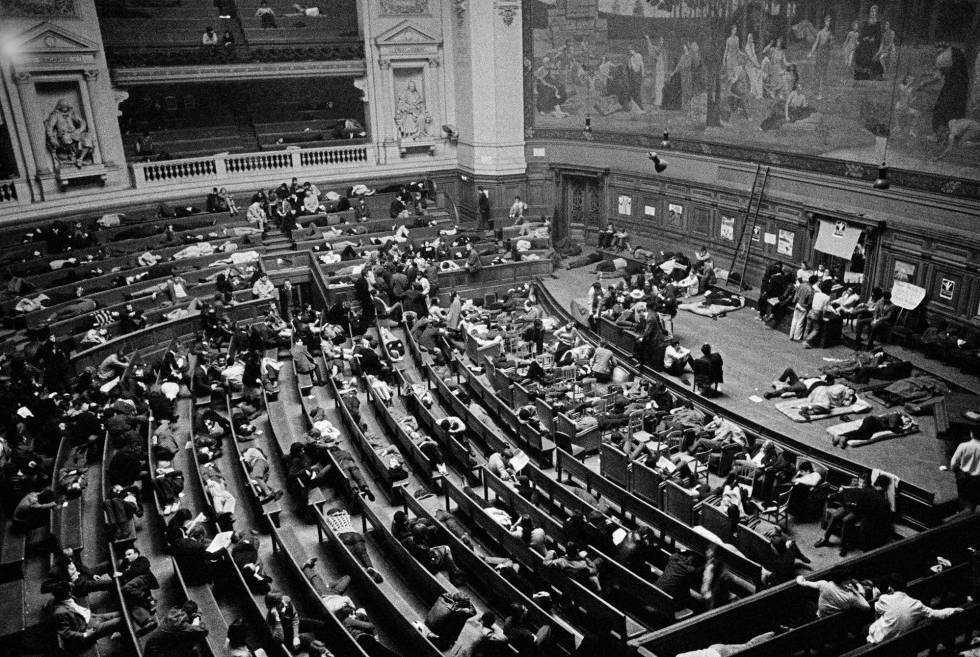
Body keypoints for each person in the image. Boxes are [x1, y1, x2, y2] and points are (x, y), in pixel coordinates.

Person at [866, 573, 961, 643]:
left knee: (868, 630)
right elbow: (936, 614)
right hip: (906, 643)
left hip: (883, 643)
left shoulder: (884, 598)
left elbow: (877, 611)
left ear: (890, 588)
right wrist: (952, 610)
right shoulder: (916, 604)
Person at [47, 580, 126, 654]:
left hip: (92, 617)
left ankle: (122, 632)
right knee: (121, 621)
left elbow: (47, 604)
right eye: (70, 589)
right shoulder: (60, 612)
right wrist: (85, 634)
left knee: (123, 613)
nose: (72, 590)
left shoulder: (59, 598)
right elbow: (66, 633)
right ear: (68, 593)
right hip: (88, 628)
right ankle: (124, 634)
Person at [796, 570, 871, 619]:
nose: (850, 580)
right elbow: (867, 607)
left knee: (806, 601)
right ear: (844, 581)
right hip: (836, 619)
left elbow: (803, 583)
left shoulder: (824, 584)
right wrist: (856, 591)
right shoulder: (850, 596)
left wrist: (800, 577)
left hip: (820, 614)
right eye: (849, 578)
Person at [144, 605, 209, 657]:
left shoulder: (172, 612)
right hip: (157, 653)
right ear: (193, 614)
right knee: (193, 651)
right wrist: (197, 616)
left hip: (150, 646)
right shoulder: (181, 625)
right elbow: (203, 631)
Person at [949, 431, 980, 512]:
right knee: (973, 501)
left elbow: (953, 464)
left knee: (962, 501)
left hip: (964, 478)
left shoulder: (963, 446)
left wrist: (954, 471)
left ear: (971, 434)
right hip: (977, 481)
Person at [790, 274, 816, 341]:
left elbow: (796, 294)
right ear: (814, 282)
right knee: (800, 322)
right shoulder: (811, 290)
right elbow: (809, 302)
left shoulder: (802, 285)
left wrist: (794, 301)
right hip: (804, 307)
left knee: (794, 320)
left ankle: (791, 335)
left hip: (798, 304)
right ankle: (796, 337)